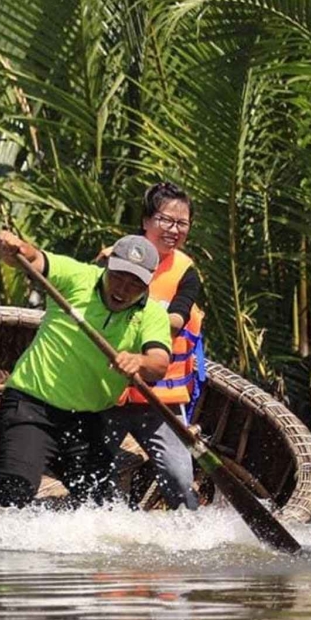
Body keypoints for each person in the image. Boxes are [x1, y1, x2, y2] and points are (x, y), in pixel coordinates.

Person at [0, 232, 174, 508]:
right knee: (15, 494)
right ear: (108, 266)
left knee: (102, 508)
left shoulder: (152, 314)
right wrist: (15, 249)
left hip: (86, 423)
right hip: (31, 407)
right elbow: (33, 258)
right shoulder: (77, 277)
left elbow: (159, 363)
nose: (122, 289)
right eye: (118, 276)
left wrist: (139, 362)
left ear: (148, 284)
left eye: (135, 283)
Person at [103, 182, 205, 510]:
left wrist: (145, 318)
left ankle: (189, 529)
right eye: (166, 220)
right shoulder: (112, 259)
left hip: (159, 398)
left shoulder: (186, 272)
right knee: (92, 471)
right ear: (146, 221)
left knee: (179, 479)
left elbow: (177, 318)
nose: (173, 230)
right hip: (108, 393)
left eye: (182, 224)